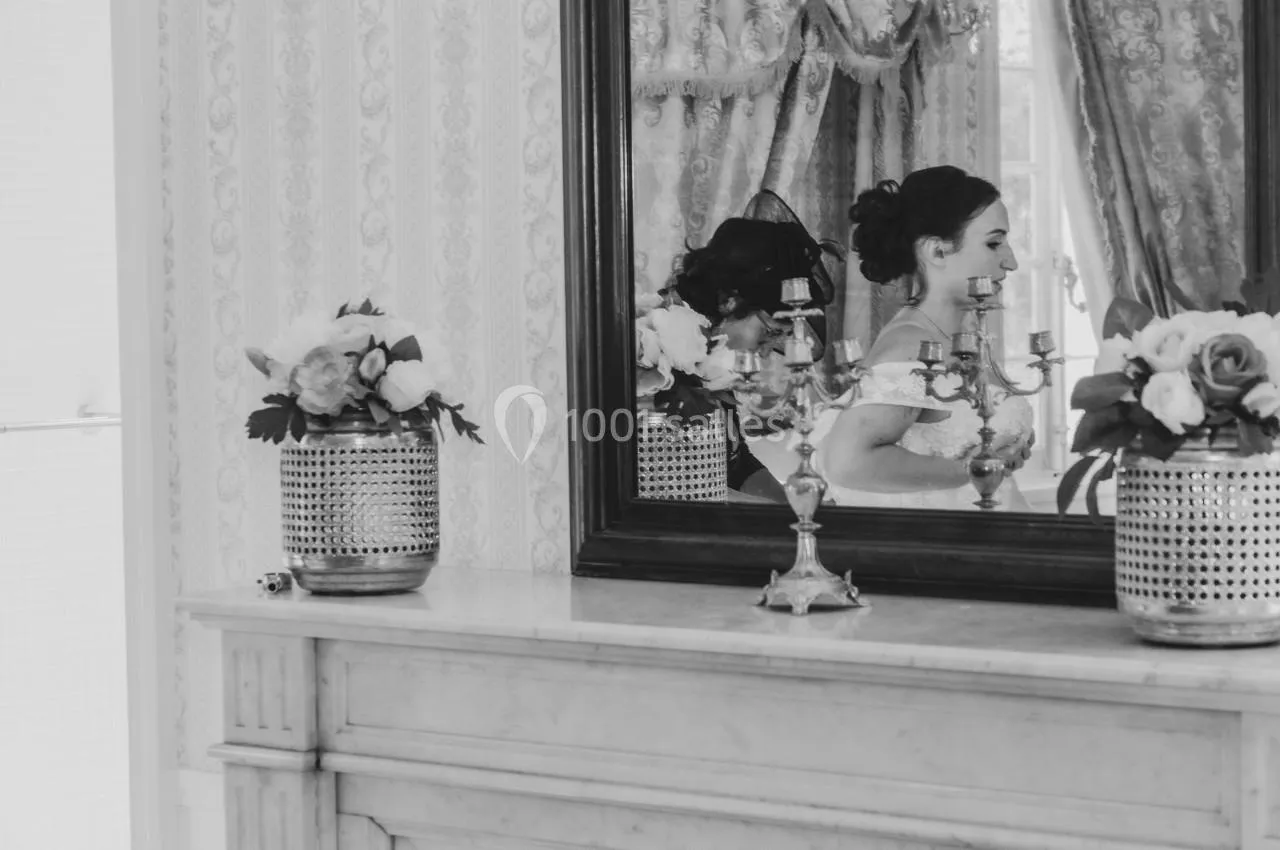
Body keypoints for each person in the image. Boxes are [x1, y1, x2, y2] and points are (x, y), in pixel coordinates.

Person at [812, 165, 1035, 510]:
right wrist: (976, 469)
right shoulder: (912, 346)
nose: (1011, 262)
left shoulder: (958, 337)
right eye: (994, 243)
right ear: (937, 252)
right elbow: (847, 464)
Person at [670, 195, 841, 502]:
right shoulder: (657, 357)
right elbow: (682, 489)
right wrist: (781, 515)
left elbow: (735, 463)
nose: (764, 355)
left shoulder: (714, 362)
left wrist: (793, 501)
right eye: (767, 334)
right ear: (729, 301)